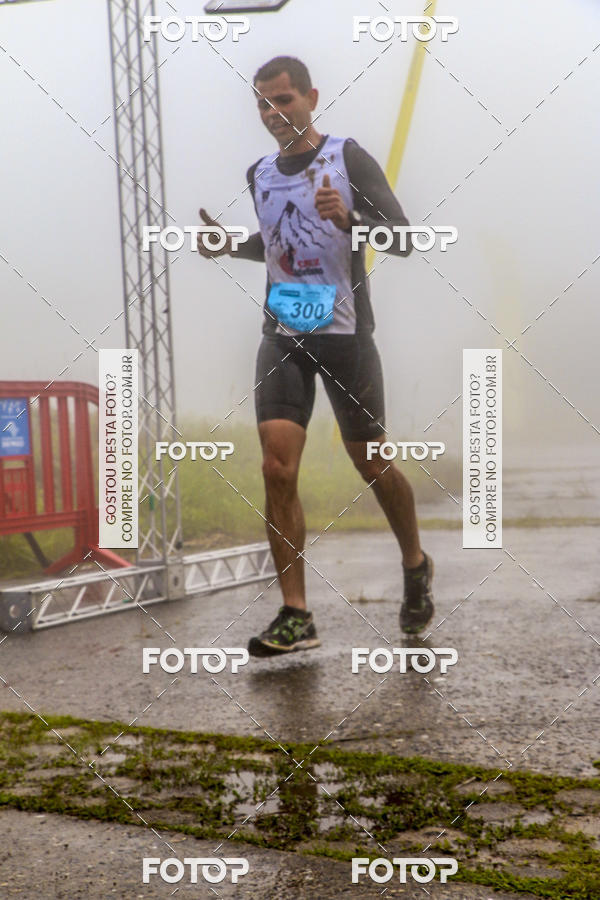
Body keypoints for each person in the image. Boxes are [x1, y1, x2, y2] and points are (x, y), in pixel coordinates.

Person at [197, 56, 434, 657]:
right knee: (277, 469)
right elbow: (276, 242)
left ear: (311, 97)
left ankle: (414, 563)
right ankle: (296, 614)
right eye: (263, 103)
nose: (274, 114)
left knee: (372, 464)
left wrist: (353, 219)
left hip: (346, 333)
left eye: (285, 100)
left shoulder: (347, 156)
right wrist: (230, 245)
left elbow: (403, 238)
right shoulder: (259, 173)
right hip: (284, 332)